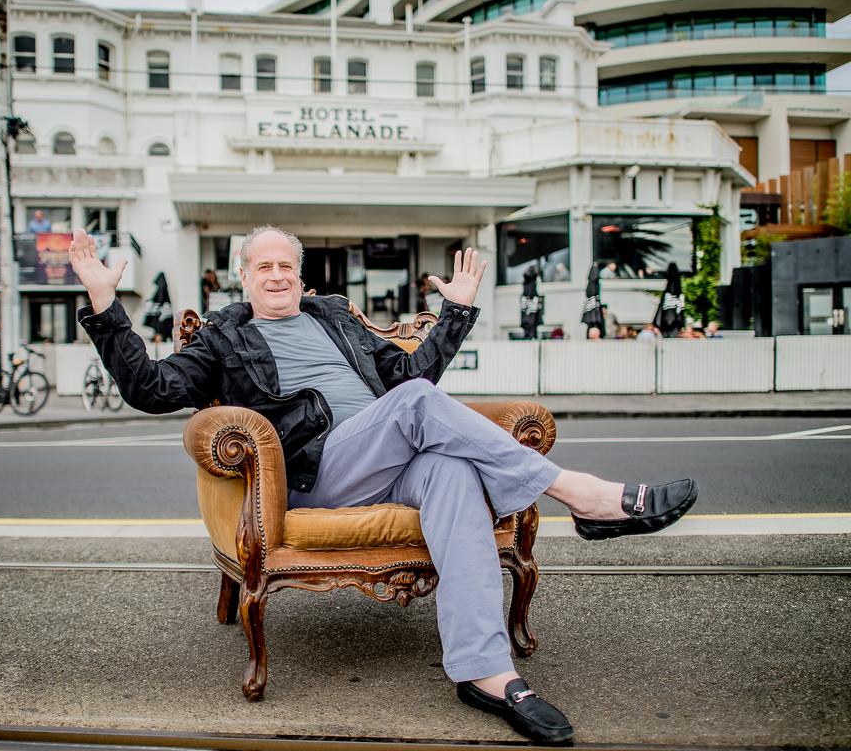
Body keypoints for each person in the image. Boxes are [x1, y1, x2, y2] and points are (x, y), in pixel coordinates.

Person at [69, 225, 699, 744]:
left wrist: (457, 312)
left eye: (286, 264)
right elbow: (149, 389)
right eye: (263, 265)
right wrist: (103, 302)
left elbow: (408, 371)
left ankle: (487, 673)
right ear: (244, 276)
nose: (277, 274)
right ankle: (582, 495)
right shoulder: (223, 338)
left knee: (451, 471)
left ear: (301, 273)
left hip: (386, 459)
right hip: (318, 473)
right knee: (419, 405)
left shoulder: (338, 318)